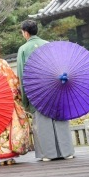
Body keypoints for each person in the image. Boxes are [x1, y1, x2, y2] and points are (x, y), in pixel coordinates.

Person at [16, 19, 75, 161]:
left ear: (25, 33)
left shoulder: (23, 50)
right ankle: (67, 152)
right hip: (55, 87)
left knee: (42, 123)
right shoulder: (49, 45)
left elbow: (22, 75)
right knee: (60, 118)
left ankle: (48, 155)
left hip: (37, 90)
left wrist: (25, 101)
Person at [0, 39, 32, 165]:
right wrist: (17, 95)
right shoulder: (1, 63)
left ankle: (1, 156)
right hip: (4, 102)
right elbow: (12, 81)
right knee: (7, 129)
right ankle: (9, 156)